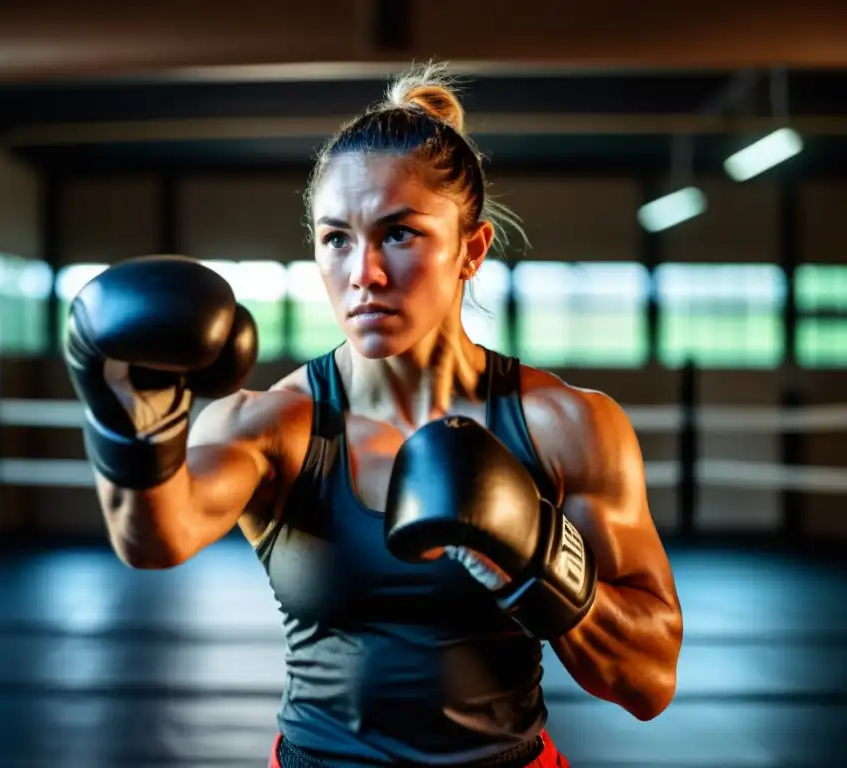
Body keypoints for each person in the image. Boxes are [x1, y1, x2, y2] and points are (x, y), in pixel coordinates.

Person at [64, 62, 684, 768]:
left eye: (399, 234)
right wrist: (128, 414)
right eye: (336, 239)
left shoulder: (565, 427)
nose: (364, 273)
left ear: (471, 250)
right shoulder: (276, 424)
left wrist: (540, 558)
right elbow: (155, 538)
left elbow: (650, 679)